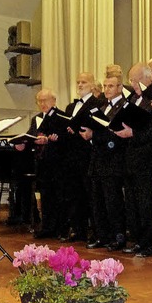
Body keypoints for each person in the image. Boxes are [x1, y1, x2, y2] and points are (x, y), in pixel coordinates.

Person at [114, 63, 152, 257]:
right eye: (132, 80)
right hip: (131, 158)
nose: (133, 84)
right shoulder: (134, 99)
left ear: (148, 78)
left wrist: (133, 132)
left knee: (147, 203)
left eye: (136, 80)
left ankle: (151, 243)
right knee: (133, 203)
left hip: (149, 159)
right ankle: (139, 241)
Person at [81, 72, 128, 251]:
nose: (107, 89)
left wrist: (95, 134)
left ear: (120, 88)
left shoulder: (123, 107)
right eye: (105, 86)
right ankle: (102, 235)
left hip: (113, 160)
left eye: (111, 86)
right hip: (97, 160)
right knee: (97, 201)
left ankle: (118, 237)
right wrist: (89, 133)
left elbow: (115, 134)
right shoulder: (101, 107)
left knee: (113, 202)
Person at [15, 89, 68, 240]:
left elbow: (65, 140)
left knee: (59, 196)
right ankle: (47, 227)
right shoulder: (36, 118)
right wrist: (22, 144)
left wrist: (50, 140)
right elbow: (31, 135)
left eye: (45, 100)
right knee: (45, 196)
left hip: (58, 163)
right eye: (40, 101)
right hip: (41, 163)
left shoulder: (62, 116)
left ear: (54, 101)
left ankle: (61, 229)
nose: (42, 104)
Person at [64, 72, 104, 243]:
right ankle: (78, 229)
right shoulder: (70, 107)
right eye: (78, 82)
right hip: (72, 155)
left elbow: (99, 126)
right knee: (75, 194)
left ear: (92, 84)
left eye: (84, 82)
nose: (80, 85)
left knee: (91, 195)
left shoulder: (98, 103)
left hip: (88, 154)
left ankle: (95, 232)